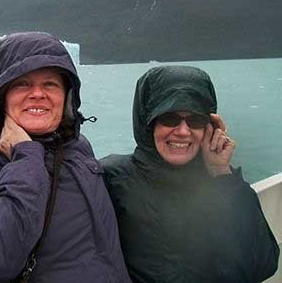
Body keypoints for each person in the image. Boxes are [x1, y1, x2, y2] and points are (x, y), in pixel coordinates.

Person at [0, 32, 132, 283]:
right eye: (22, 83)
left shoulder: (76, 146)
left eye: (50, 84)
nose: (38, 94)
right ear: (1, 94)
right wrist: (26, 158)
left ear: (66, 95)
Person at [102, 65, 279, 283]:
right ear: (147, 122)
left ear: (210, 126)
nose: (183, 131)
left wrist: (221, 174)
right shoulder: (112, 179)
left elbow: (262, 265)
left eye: (195, 120)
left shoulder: (223, 182)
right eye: (168, 118)